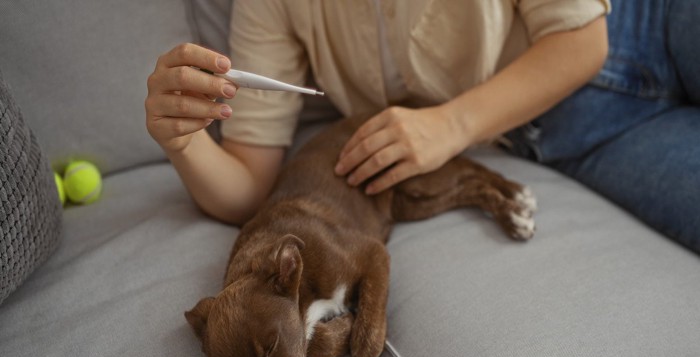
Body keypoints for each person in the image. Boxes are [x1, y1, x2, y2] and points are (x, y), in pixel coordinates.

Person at [145, 1, 699, 253]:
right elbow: (251, 187)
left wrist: (449, 125)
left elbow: (582, 40)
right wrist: (184, 141)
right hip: (562, 133)